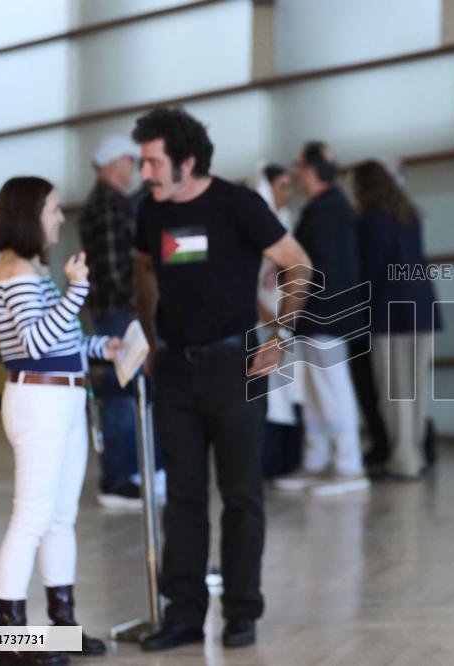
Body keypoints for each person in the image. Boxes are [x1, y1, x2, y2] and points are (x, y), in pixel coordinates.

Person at [131, 106, 311, 651]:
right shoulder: (151, 213)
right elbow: (145, 270)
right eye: (142, 163)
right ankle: (183, 615)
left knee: (240, 495)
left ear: (187, 161)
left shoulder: (238, 205)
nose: (145, 173)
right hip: (175, 371)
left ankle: (241, 611)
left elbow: (296, 264)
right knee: (182, 497)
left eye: (154, 162)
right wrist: (146, 338)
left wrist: (279, 336)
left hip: (236, 365)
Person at [0, 176, 118, 664]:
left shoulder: (29, 270)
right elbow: (37, 346)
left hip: (61, 398)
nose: (61, 218)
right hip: (39, 402)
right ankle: (11, 641)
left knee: (59, 518)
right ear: (29, 215)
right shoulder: (15, 272)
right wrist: (77, 292)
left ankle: (62, 626)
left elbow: (57, 343)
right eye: (54, 209)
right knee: (32, 518)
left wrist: (105, 347)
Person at [272, 141, 370, 496]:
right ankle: (316, 461)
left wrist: (284, 274)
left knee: (332, 391)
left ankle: (349, 466)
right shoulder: (323, 208)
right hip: (316, 316)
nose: (295, 173)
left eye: (298, 166)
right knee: (315, 393)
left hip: (329, 314)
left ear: (311, 170)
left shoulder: (330, 209)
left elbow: (317, 264)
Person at [352, 159, 440, 479]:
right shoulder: (409, 215)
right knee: (416, 391)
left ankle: (403, 461)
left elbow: (370, 272)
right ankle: (414, 456)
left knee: (395, 392)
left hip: (391, 314)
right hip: (423, 309)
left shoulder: (370, 221)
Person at [78, 134, 149, 509]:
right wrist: (135, 306)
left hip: (117, 311)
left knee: (127, 388)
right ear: (109, 163)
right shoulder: (107, 205)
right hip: (117, 312)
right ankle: (117, 477)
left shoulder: (114, 203)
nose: (132, 170)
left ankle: (128, 472)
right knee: (122, 393)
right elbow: (112, 268)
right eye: (127, 162)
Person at [252, 163, 303, 478]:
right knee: (269, 387)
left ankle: (288, 458)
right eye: (282, 186)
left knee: (291, 385)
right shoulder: (257, 221)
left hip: (284, 315)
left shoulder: (284, 221)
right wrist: (266, 314)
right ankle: (268, 459)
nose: (288, 193)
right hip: (262, 316)